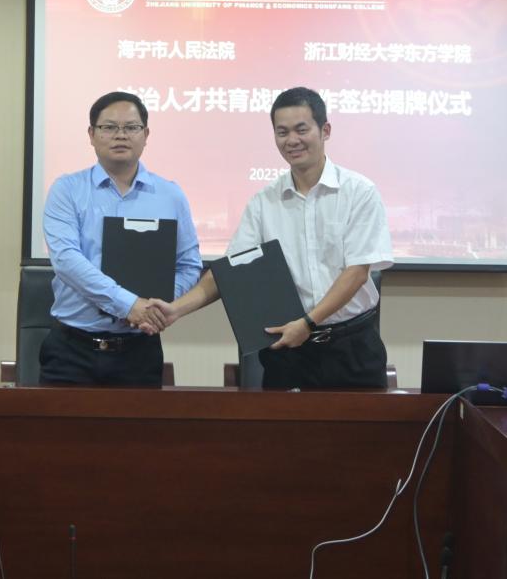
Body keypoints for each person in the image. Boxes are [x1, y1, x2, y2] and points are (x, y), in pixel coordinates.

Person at [148, 87, 393, 389]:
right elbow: (228, 272)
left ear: (325, 130)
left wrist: (308, 323)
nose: (292, 140)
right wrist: (176, 309)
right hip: (289, 351)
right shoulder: (264, 202)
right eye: (282, 132)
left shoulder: (359, 192)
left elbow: (356, 272)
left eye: (301, 129)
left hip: (351, 348)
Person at [40, 92, 202, 386]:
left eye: (131, 127)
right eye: (109, 127)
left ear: (146, 134)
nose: (121, 135)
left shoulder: (170, 195)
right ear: (91, 134)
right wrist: (129, 305)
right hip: (72, 350)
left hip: (139, 351)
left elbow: (189, 265)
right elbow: (66, 260)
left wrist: (153, 307)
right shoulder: (67, 190)